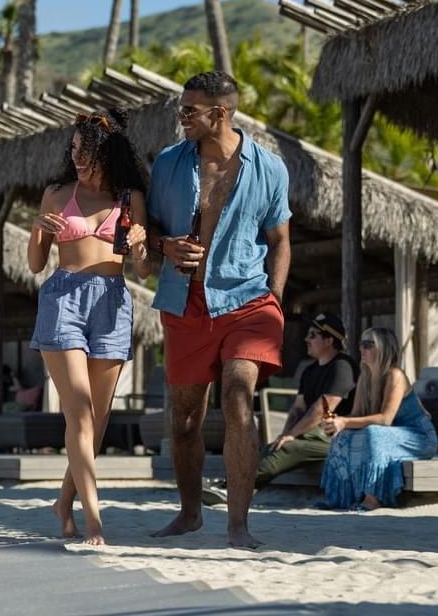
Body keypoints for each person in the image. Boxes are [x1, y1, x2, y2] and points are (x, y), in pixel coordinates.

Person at [147, 70, 291, 549]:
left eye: (190, 110)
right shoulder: (168, 163)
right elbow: (140, 232)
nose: (181, 117)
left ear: (221, 113)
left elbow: (280, 241)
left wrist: (274, 298)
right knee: (185, 419)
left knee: (236, 395)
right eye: (181, 108)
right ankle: (189, 514)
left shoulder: (269, 168)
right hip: (184, 302)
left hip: (248, 302)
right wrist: (165, 246)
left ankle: (238, 525)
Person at [28, 108, 151, 545]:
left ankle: (64, 502)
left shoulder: (130, 198)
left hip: (113, 303)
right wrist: (38, 231)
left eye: (88, 151)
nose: (78, 157)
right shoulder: (58, 193)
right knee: (78, 411)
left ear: (108, 152)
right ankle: (93, 519)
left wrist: (139, 244)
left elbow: (143, 271)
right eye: (75, 149)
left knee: (96, 420)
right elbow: (35, 264)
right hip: (63, 299)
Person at [202, 312, 358, 504]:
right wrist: (284, 434)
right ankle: (238, 490)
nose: (306, 339)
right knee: (273, 447)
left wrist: (291, 436)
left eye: (312, 335)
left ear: (329, 340)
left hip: (336, 436)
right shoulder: (310, 370)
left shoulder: (343, 366)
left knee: (287, 449)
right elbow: (298, 408)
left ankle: (231, 487)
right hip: (312, 433)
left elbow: (321, 409)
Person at [320, 326, 438, 511]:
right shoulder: (365, 377)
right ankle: (340, 497)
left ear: (384, 348)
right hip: (392, 435)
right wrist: (336, 422)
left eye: (368, 344)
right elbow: (356, 414)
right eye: (361, 344)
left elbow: (385, 419)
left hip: (419, 437)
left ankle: (373, 498)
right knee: (341, 437)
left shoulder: (395, 375)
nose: (361, 349)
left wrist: (344, 422)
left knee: (374, 433)